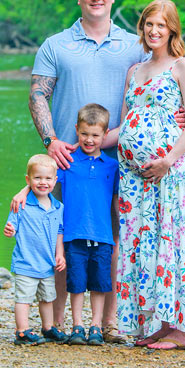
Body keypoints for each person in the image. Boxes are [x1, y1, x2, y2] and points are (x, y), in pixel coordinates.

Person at [23, 0, 147, 342]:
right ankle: (58, 322)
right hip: (68, 163)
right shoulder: (56, 45)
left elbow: (159, 85)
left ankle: (107, 323)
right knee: (64, 237)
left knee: (114, 239)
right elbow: (37, 95)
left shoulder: (134, 45)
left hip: (121, 161)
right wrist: (51, 141)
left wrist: (180, 112)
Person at [115, 0, 185, 349]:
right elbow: (126, 123)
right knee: (149, 243)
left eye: (161, 25)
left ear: (173, 29)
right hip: (137, 179)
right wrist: (84, 143)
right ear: (141, 28)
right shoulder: (134, 71)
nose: (154, 31)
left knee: (176, 241)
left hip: (173, 173)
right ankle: (162, 322)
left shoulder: (182, 66)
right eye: (148, 24)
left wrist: (168, 158)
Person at [57, 103, 119, 346]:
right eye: (84, 134)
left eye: (95, 135)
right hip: (74, 234)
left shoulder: (112, 166)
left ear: (105, 135)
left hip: (103, 236)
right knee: (77, 283)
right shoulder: (67, 162)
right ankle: (77, 326)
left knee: (100, 283)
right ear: (76, 130)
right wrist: (23, 193)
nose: (89, 140)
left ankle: (96, 325)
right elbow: (46, 185)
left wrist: (119, 233)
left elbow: (116, 203)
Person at [3, 154, 68, 346]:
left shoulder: (58, 207)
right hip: (26, 262)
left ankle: (48, 328)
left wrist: (59, 254)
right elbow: (11, 224)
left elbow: (59, 231)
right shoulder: (22, 204)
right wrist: (9, 229)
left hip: (47, 263)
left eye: (48, 178)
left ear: (55, 180)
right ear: (28, 180)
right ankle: (22, 331)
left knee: (47, 297)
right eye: (37, 178)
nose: (42, 182)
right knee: (24, 298)